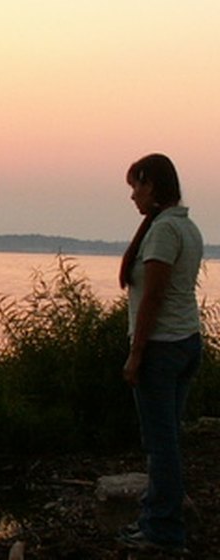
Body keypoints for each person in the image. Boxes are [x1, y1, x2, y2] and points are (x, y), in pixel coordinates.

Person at [118, 154, 203, 552]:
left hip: (162, 348)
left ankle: (164, 531)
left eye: (136, 185)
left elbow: (152, 298)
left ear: (152, 184)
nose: (133, 195)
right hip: (184, 341)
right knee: (166, 438)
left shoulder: (165, 231)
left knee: (160, 443)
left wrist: (136, 355)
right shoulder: (185, 227)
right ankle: (156, 518)